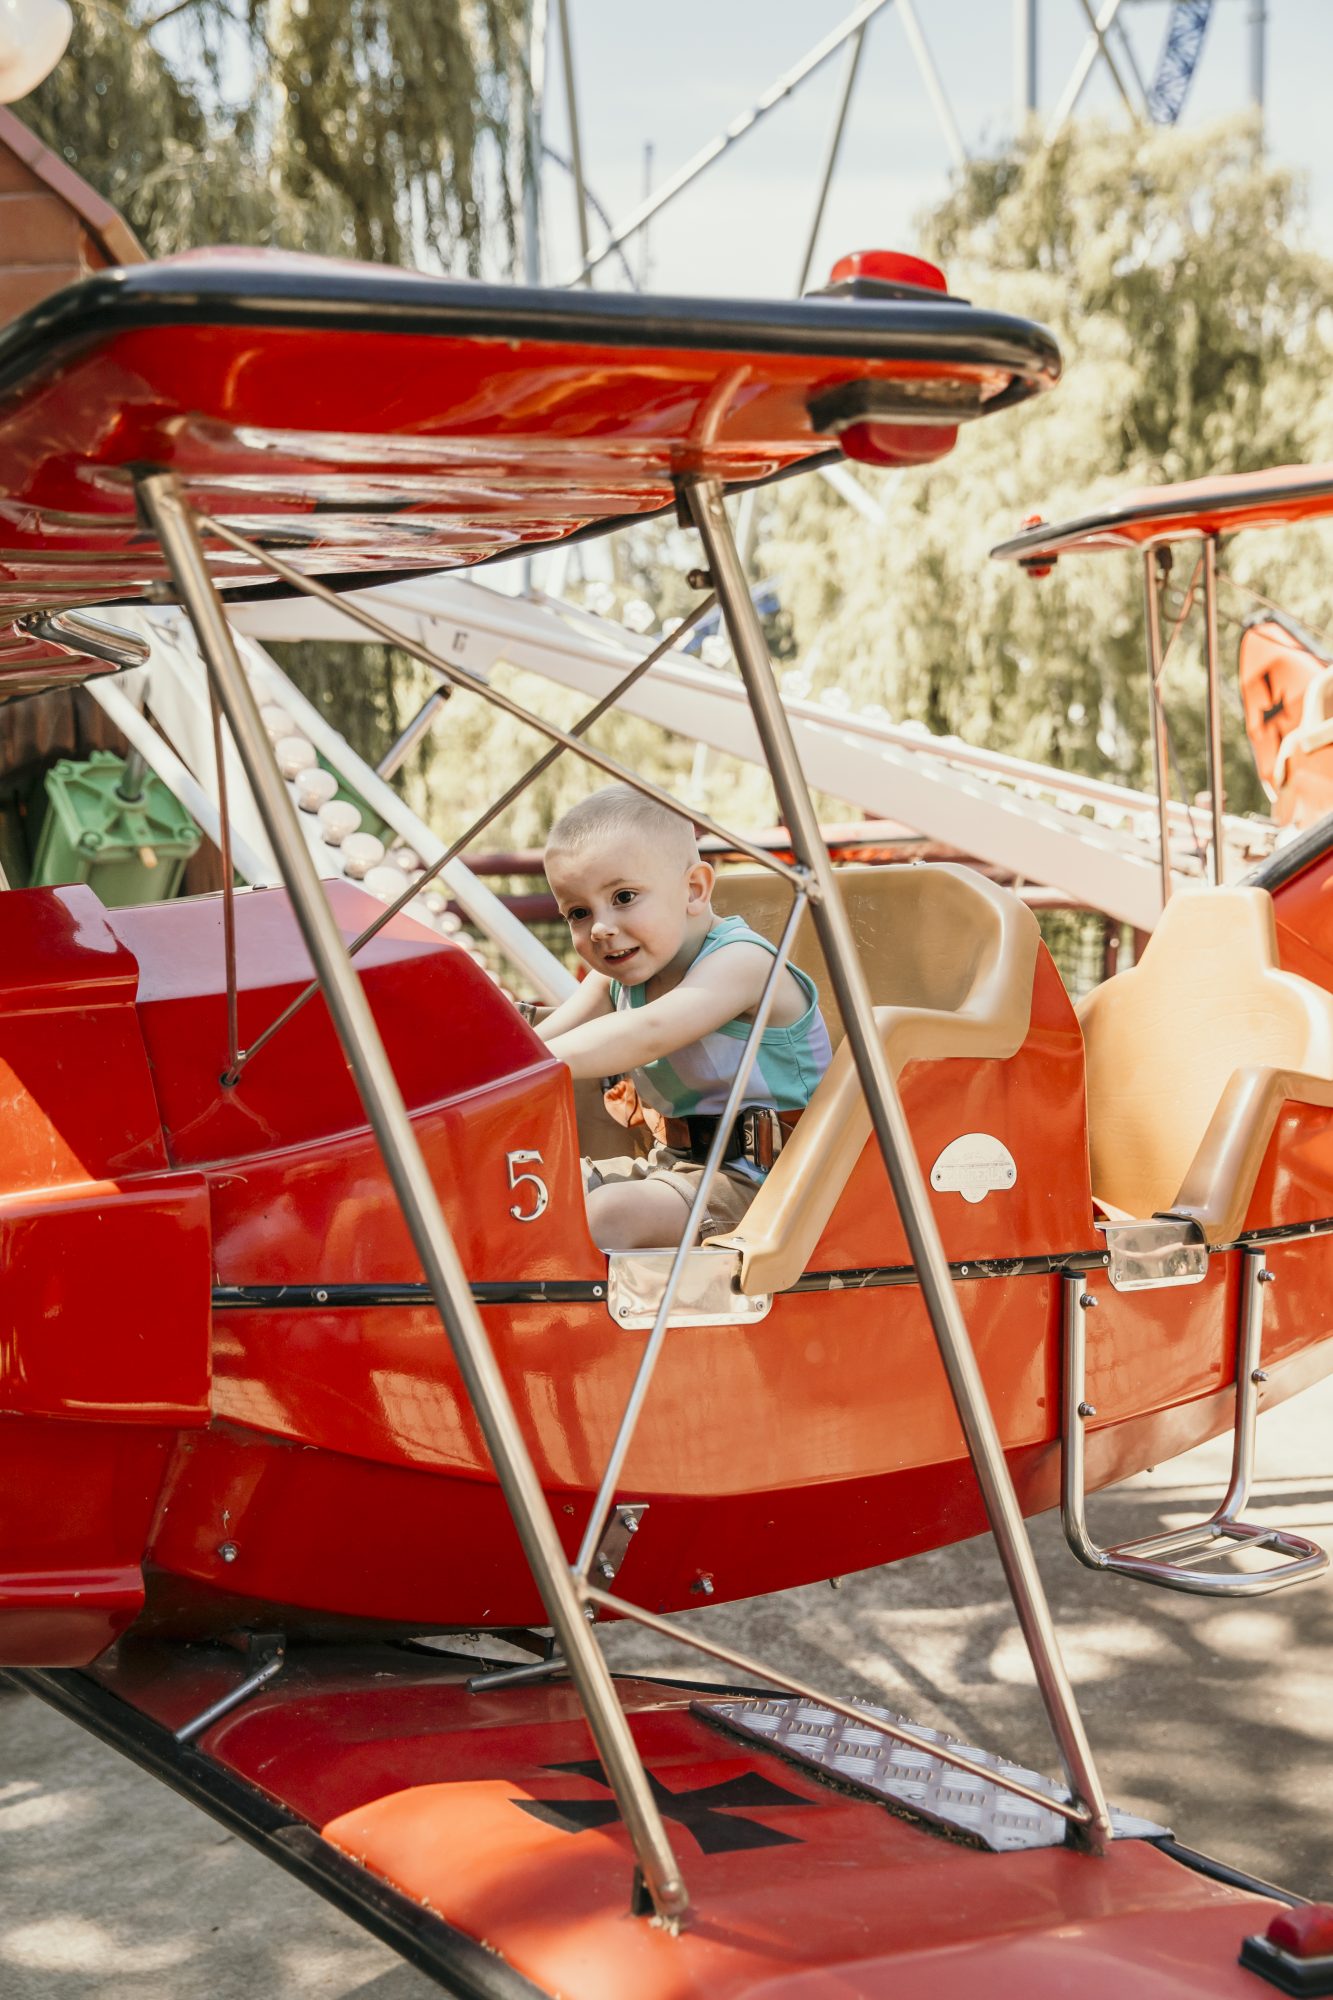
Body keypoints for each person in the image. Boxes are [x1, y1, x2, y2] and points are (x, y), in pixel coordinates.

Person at [537, 784, 832, 1251]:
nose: (600, 927)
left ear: (694, 889)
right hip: (676, 1165)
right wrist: (483, 1067)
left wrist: (520, 1067)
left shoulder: (744, 963)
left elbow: (647, 1033)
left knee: (606, 1215)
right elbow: (537, 1039)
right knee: (535, 1191)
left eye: (625, 896)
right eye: (577, 912)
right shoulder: (620, 975)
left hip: (777, 1183)